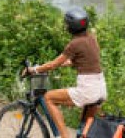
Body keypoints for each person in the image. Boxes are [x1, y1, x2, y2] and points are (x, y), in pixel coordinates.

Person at [26, 7, 106, 138]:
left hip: (87, 91)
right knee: (84, 130)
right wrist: (69, 63)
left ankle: (64, 136)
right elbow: (88, 59)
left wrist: (33, 70)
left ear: (70, 27)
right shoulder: (92, 38)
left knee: (49, 98)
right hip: (101, 89)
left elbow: (53, 64)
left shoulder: (74, 44)